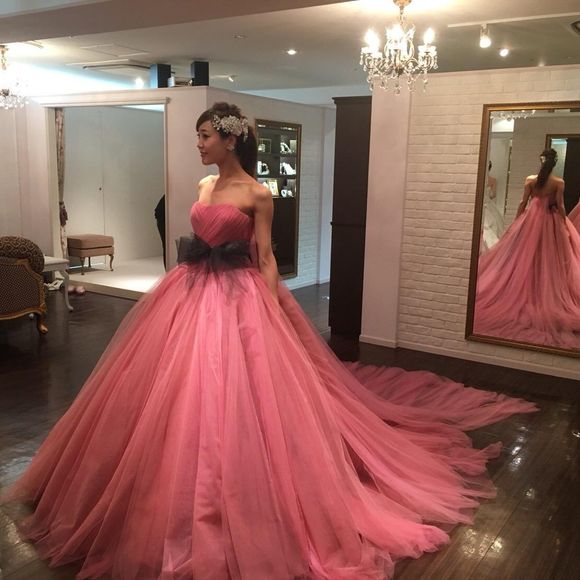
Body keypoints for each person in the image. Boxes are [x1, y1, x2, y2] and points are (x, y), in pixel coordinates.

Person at [4, 103, 536, 580]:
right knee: (173, 389)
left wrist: (276, 305)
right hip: (190, 291)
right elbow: (198, 239)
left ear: (230, 139)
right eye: (198, 137)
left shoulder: (258, 193)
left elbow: (265, 257)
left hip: (238, 296)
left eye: (205, 136)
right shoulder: (203, 186)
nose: (199, 145)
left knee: (242, 392)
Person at [474, 148, 580, 349]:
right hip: (549, 222)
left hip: (530, 220)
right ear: (554, 163)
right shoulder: (558, 182)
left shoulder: (530, 180)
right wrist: (564, 223)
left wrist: (516, 223)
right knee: (549, 259)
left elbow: (523, 203)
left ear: (541, 161)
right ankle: (542, 292)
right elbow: (560, 206)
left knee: (522, 257)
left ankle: (525, 288)